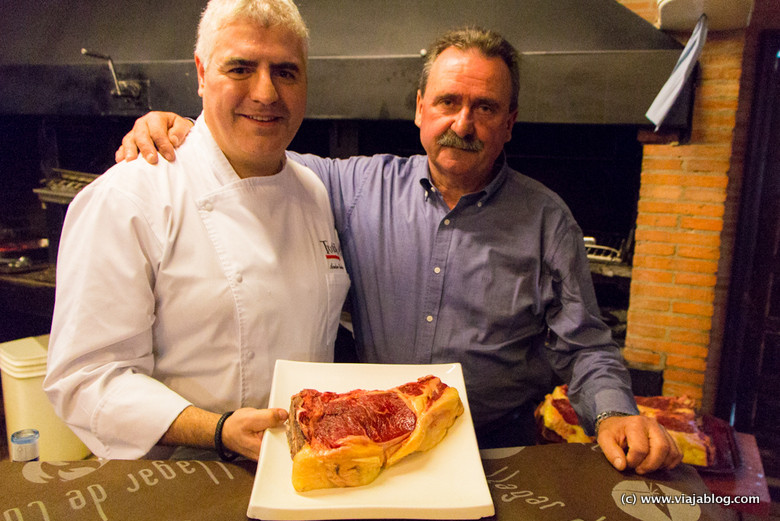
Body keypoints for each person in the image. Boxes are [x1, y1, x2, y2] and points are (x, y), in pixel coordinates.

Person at [116, 27, 682, 473]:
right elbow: (256, 156)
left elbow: (586, 348)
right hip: (369, 437)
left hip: (493, 446)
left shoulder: (547, 220)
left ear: (509, 124)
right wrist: (187, 128)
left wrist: (614, 414)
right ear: (419, 109)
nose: (462, 122)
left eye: (484, 108)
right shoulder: (353, 186)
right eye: (448, 102)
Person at [43, 0, 350, 461]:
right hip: (182, 479)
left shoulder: (313, 190)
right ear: (202, 74)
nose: (266, 93)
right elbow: (86, 381)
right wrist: (218, 430)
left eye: (286, 72)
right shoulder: (130, 196)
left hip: (302, 469)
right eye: (241, 68)